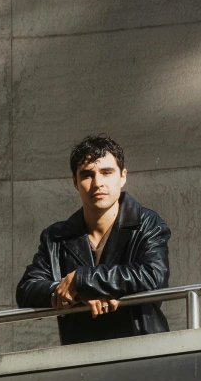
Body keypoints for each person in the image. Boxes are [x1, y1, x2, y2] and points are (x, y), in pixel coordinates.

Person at [16, 135, 171, 345]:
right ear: (75, 182)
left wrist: (84, 280)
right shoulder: (57, 237)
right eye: (87, 175)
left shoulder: (147, 223)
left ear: (122, 176)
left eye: (107, 173)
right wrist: (74, 294)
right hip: (82, 358)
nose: (97, 183)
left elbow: (154, 276)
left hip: (142, 352)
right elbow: (27, 290)